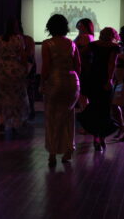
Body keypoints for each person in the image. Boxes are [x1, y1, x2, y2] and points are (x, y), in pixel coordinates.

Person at [41, 14, 80, 165]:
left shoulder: (47, 44)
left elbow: (46, 67)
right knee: (68, 116)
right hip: (72, 82)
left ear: (50, 27)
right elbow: (78, 66)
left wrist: (42, 82)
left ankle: (52, 153)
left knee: (52, 117)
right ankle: (69, 150)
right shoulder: (71, 43)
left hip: (55, 82)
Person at [78, 27, 120, 151]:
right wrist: (109, 80)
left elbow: (80, 54)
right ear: (113, 35)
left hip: (93, 78)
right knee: (104, 110)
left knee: (94, 107)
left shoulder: (93, 44)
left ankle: (96, 137)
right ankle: (101, 138)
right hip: (104, 80)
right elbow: (111, 64)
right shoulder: (114, 47)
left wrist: (87, 67)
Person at [0, 18, 29, 135]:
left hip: (3, 70)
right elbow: (23, 56)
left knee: (3, 98)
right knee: (16, 98)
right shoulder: (18, 39)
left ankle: (2, 122)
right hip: (15, 71)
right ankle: (15, 123)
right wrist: (26, 70)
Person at [74, 19, 94, 132]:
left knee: (83, 98)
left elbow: (80, 52)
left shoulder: (85, 37)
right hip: (85, 70)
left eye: (80, 24)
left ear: (86, 26)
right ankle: (86, 125)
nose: (78, 26)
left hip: (84, 70)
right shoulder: (85, 36)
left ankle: (86, 126)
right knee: (83, 98)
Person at [18, 24, 36, 120]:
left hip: (28, 66)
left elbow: (30, 55)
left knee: (29, 89)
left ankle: (30, 111)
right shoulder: (15, 40)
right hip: (19, 68)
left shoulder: (28, 40)